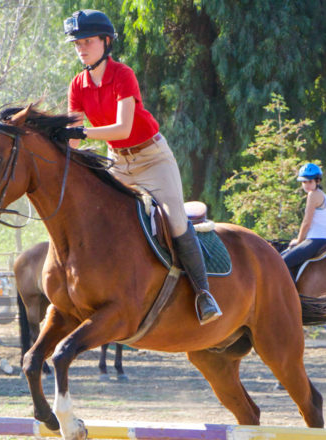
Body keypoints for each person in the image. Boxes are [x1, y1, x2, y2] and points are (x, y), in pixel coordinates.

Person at [53, 9, 221, 325]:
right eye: (77, 44)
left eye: (87, 41)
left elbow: (123, 128)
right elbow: (73, 141)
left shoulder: (123, 75)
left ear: (106, 42)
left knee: (175, 220)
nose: (81, 48)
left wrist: (83, 132)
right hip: (118, 162)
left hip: (152, 158)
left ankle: (204, 294)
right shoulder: (77, 85)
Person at [281, 163, 326, 279]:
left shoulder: (313, 195)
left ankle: (290, 295)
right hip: (325, 238)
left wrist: (299, 241)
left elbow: (306, 223)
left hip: (316, 240)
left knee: (281, 263)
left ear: (317, 181)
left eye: (310, 182)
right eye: (304, 182)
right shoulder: (322, 195)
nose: (306, 185)